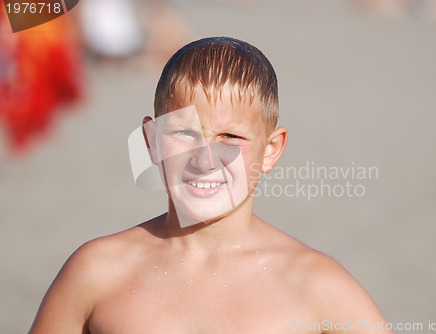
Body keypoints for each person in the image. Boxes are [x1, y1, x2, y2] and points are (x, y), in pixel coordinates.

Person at [30, 37, 393, 334]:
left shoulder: (318, 288)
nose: (204, 160)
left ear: (271, 151)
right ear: (151, 142)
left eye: (231, 137)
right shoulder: (97, 272)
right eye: (184, 133)